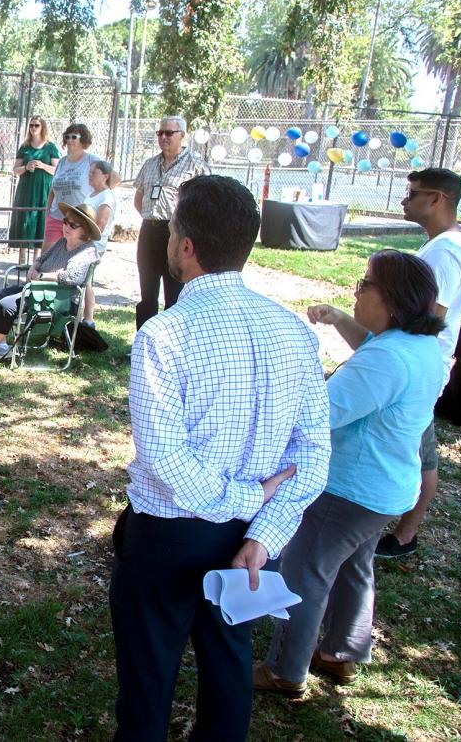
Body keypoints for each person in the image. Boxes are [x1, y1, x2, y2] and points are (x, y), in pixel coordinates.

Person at [109, 174, 330, 742]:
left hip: (171, 533)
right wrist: (264, 533)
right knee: (229, 661)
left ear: (184, 246)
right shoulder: (295, 332)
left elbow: (164, 459)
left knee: (149, 674)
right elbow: (312, 454)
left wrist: (252, 507)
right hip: (252, 534)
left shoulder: (165, 333)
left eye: (173, 229)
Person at [254, 251, 446, 696]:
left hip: (348, 490)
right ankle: (341, 653)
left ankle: (286, 670)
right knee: (354, 568)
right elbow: (375, 348)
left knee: (305, 573)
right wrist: (342, 319)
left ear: (393, 300)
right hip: (386, 490)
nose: (357, 290)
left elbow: (322, 412)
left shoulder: (386, 362)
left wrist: (281, 384)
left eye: (365, 285)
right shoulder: (416, 346)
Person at [376, 168, 461, 559]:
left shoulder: (445, 253)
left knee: (422, 449)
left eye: (412, 193)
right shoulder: (441, 245)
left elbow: (431, 315)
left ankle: (406, 533)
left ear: (437, 199)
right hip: (415, 360)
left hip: (420, 364)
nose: (404, 199)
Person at [0, 202, 101, 362]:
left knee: (7, 305)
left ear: (85, 229)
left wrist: (42, 276)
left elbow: (71, 277)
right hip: (38, 290)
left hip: (60, 299)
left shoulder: (87, 250)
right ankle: (0, 346)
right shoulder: (62, 242)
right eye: (65, 221)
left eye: (73, 224)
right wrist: (33, 267)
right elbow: (42, 258)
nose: (66, 226)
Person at [131, 115, 208, 328]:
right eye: (160, 133)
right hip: (149, 230)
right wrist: (151, 216)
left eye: (169, 133)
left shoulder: (195, 164)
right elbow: (140, 197)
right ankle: (142, 341)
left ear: (182, 135)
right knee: (147, 292)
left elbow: (205, 200)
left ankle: (171, 342)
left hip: (177, 233)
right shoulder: (149, 164)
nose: (163, 137)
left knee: (173, 294)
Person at [9, 116, 59, 265]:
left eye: (36, 125)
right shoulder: (25, 147)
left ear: (42, 127)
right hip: (26, 188)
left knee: (40, 218)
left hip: (43, 188)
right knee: (24, 218)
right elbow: (15, 170)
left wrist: (43, 166)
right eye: (31, 125)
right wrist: (26, 167)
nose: (33, 128)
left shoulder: (50, 147)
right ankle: (22, 259)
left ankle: (37, 259)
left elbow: (57, 170)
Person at [42, 124, 94, 252]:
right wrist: (48, 211)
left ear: (83, 140)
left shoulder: (91, 160)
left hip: (78, 220)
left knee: (73, 259)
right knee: (46, 259)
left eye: (74, 137)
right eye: (67, 137)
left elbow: (113, 178)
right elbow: (53, 189)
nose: (69, 140)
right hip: (56, 216)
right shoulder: (62, 162)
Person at [81, 159, 119, 328]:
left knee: (86, 281)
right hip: (81, 244)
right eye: (89, 172)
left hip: (92, 247)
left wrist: (82, 239)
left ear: (105, 176)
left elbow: (100, 226)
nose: (90, 176)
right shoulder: (91, 194)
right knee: (84, 281)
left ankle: (88, 320)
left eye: (93, 173)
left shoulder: (106, 197)